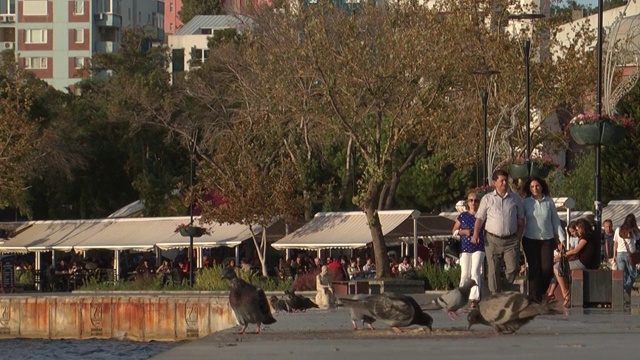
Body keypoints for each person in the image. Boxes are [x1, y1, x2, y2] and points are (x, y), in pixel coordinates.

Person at [472, 169, 525, 294]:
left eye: (506, 180)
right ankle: (495, 295)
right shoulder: (487, 199)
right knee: (493, 269)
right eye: (501, 181)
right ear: (495, 182)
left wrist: (518, 237)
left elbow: (521, 220)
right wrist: (475, 234)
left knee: (513, 268)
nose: (504, 183)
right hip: (492, 239)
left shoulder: (515, 199)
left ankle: (504, 288)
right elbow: (480, 218)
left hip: (511, 239)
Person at [522, 177, 566, 303]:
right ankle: (534, 298)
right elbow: (520, 220)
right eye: (532, 187)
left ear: (541, 187)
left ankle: (541, 292)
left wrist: (562, 238)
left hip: (547, 239)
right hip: (530, 239)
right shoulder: (526, 203)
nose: (535, 188)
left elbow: (555, 221)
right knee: (534, 268)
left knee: (547, 268)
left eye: (537, 186)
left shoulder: (549, 202)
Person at [553, 218, 600, 308]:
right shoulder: (591, 236)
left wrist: (562, 255)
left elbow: (576, 250)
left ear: (583, 227)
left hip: (583, 263)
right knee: (561, 268)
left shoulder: (586, 237)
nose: (577, 231)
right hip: (585, 262)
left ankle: (566, 293)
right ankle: (565, 293)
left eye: (578, 229)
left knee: (556, 267)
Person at [452, 189, 485, 308]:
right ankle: (461, 296)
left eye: (476, 201)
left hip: (478, 246)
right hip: (464, 247)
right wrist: (463, 231)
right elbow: (454, 231)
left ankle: (474, 298)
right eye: (471, 200)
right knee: (465, 273)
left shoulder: (482, 216)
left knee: (475, 272)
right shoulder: (463, 216)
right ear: (468, 202)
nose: (473, 203)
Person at [612, 214, 640, 302]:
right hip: (630, 255)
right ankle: (626, 288)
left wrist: (614, 255)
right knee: (633, 274)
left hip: (620, 254)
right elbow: (638, 237)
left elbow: (615, 243)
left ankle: (625, 297)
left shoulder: (618, 230)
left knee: (624, 275)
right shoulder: (634, 231)